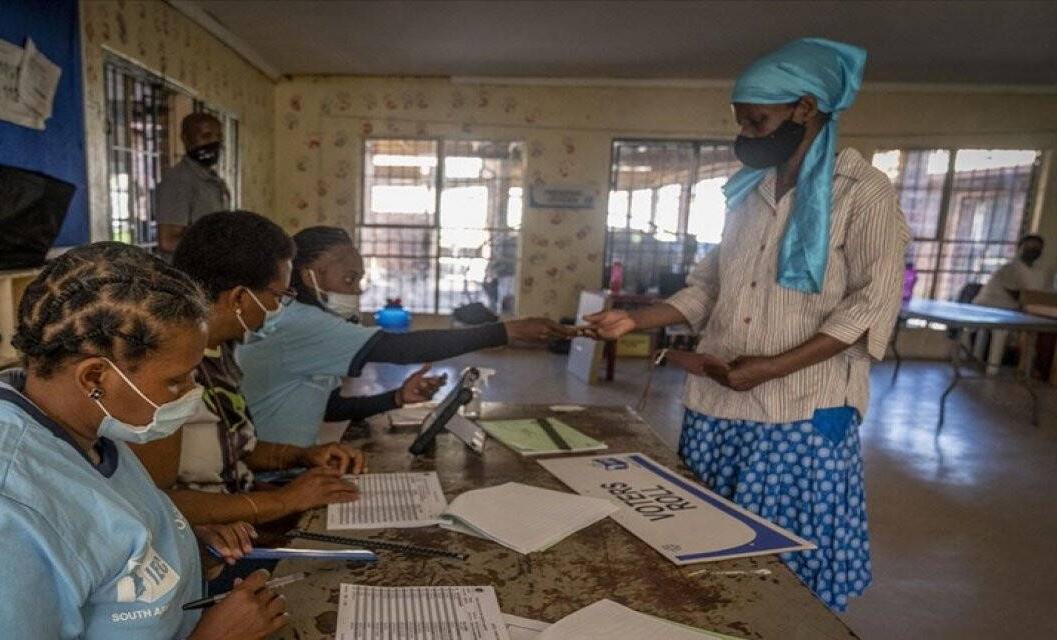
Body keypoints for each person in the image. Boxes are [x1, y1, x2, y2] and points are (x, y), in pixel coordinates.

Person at [584, 38, 907, 612]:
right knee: (710, 553)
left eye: (757, 121)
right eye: (741, 122)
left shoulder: (863, 192)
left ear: (805, 108)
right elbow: (710, 288)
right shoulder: (746, 191)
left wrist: (771, 369)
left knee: (789, 565)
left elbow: (869, 307)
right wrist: (633, 319)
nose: (746, 135)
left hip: (801, 412)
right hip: (717, 404)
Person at [0, 243, 286, 639]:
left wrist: (187, 551)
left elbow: (104, 549)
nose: (193, 394)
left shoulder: (87, 436)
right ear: (95, 377)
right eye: (176, 381)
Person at [130, 211, 366, 531]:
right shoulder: (165, 371)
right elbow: (156, 505)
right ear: (240, 298)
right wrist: (284, 501)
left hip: (245, 515)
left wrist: (302, 456)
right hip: (213, 543)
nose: (278, 309)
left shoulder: (220, 351)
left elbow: (233, 449)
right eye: (278, 297)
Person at [234, 225, 572, 448]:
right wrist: (507, 330)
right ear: (310, 277)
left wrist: (396, 397)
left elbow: (330, 407)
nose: (358, 290)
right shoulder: (302, 323)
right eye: (350, 279)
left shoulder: (300, 320)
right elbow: (401, 348)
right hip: (268, 474)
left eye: (359, 280)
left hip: (289, 462)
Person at [155, 112, 231, 256]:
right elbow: (168, 242)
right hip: (187, 269)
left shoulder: (212, 179)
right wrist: (217, 245)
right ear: (186, 139)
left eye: (219, 137)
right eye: (206, 136)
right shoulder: (178, 180)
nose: (214, 142)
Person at [972, 234, 1047, 372]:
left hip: (1015, 310)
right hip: (991, 307)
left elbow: (1037, 296)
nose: (1033, 251)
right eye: (1029, 247)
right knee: (1003, 332)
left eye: (1037, 248)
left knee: (1036, 331)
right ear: (1020, 248)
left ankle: (1026, 369)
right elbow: (1020, 296)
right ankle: (992, 368)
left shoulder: (1039, 272)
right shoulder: (1010, 268)